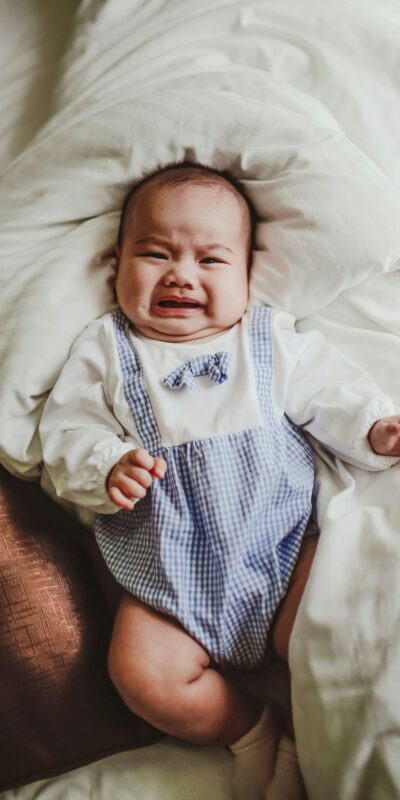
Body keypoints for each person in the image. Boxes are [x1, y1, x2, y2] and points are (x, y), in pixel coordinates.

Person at [40, 162, 400, 800]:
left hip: (286, 557)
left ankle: (318, 723)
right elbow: (66, 432)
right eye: (155, 254)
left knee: (329, 631)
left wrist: (374, 429)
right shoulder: (107, 348)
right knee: (141, 674)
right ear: (115, 262)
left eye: (211, 260)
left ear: (246, 275)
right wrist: (107, 465)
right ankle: (253, 729)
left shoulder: (265, 339)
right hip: (169, 584)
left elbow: (330, 392)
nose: (181, 273)